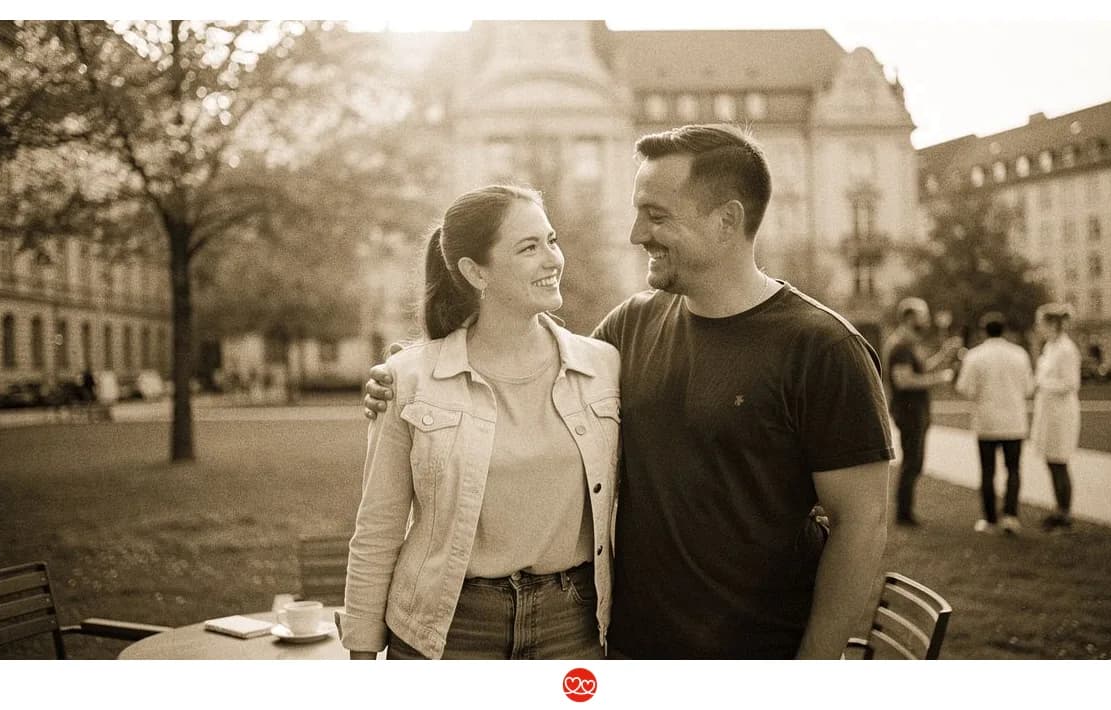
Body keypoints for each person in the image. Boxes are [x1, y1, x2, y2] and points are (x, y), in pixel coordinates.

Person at [365, 124, 893, 660]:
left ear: (727, 220)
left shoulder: (824, 350)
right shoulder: (632, 326)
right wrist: (409, 377)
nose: (637, 233)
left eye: (656, 215)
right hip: (628, 645)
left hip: (757, 650)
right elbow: (530, 379)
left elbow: (861, 524)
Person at [337, 185, 621, 660]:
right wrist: (363, 652)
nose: (553, 258)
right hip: (447, 628)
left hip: (571, 624)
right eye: (529, 247)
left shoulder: (604, 368)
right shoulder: (408, 379)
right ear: (475, 272)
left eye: (551, 240)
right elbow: (378, 526)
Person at [882, 298, 961, 527]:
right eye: (922, 315)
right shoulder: (899, 346)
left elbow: (921, 368)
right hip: (908, 412)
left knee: (916, 461)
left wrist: (944, 355)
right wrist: (941, 379)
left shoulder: (909, 343)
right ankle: (903, 515)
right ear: (909, 318)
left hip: (917, 411)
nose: (926, 320)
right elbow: (904, 381)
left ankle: (906, 513)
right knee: (912, 462)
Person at [954, 312, 1035, 534]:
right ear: (1005, 330)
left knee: (988, 471)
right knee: (1013, 470)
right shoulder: (1019, 354)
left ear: (983, 331)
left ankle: (990, 519)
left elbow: (965, 389)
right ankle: (1010, 515)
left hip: (987, 421)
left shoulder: (975, 356)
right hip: (1014, 420)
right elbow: (1029, 388)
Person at [1029, 302, 1081, 533]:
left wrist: (1043, 384)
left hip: (1061, 413)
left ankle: (1065, 513)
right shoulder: (1050, 347)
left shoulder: (1066, 349)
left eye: (1041, 323)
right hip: (1049, 411)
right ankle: (1059, 509)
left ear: (1051, 323)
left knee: (1060, 461)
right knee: (1051, 461)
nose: (1038, 328)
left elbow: (1070, 383)